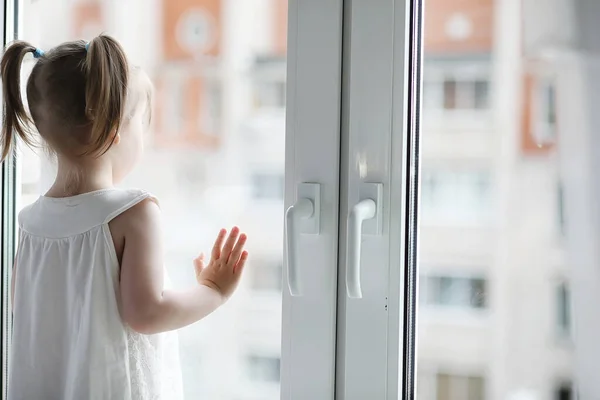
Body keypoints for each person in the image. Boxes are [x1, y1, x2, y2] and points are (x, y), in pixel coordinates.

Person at [1, 34, 248, 400]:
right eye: (141, 124)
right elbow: (146, 314)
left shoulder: (30, 222)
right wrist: (213, 291)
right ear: (115, 130)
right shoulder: (133, 212)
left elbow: (29, 314)